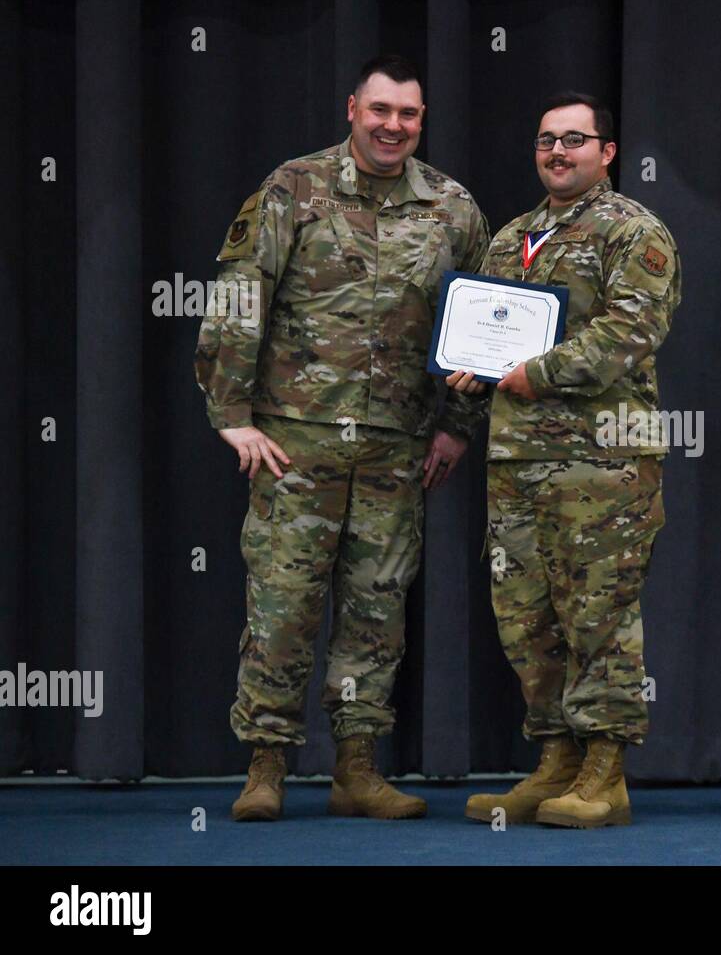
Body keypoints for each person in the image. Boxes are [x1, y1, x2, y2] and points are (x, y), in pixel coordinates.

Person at [194, 53, 490, 821]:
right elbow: (238, 293)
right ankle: (265, 766)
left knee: (376, 608)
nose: (394, 127)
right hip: (298, 439)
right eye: (381, 111)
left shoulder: (453, 207)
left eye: (410, 116)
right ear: (352, 108)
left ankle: (356, 768)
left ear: (422, 122)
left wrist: (457, 429)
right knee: (283, 605)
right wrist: (231, 416)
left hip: (397, 445)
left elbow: (480, 329)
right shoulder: (295, 188)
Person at [462, 91, 681, 829]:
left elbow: (629, 332)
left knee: (600, 616)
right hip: (517, 461)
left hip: (602, 463)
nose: (559, 152)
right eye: (547, 140)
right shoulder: (511, 237)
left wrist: (535, 371)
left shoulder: (635, 232)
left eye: (576, 140)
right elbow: (487, 334)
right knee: (527, 620)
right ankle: (555, 759)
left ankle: (606, 772)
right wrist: (472, 366)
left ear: (607, 152)